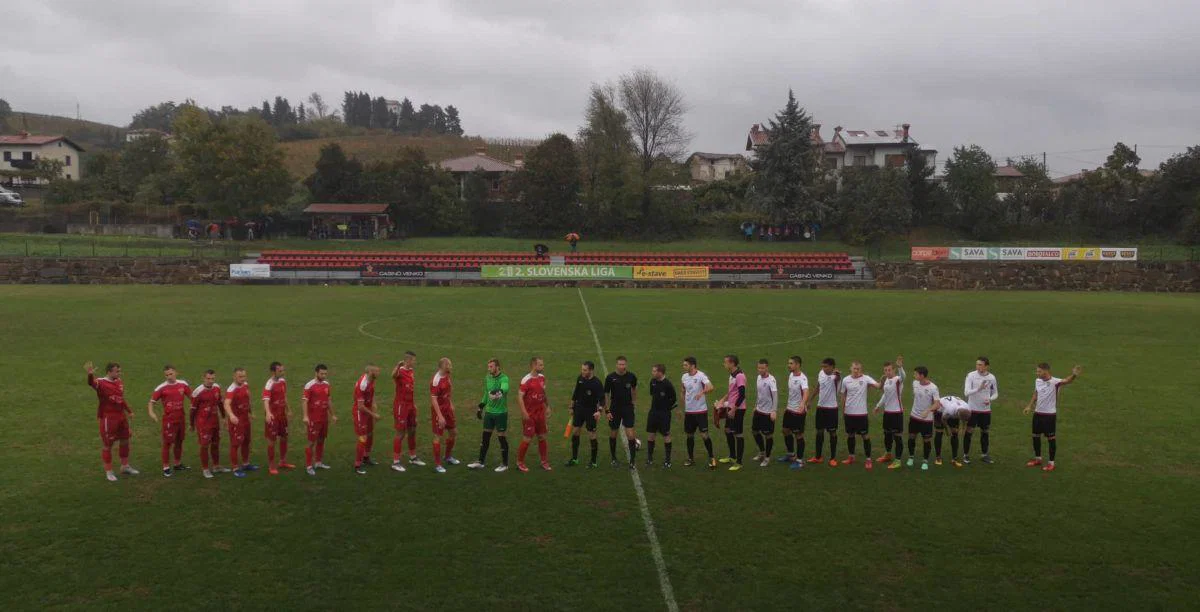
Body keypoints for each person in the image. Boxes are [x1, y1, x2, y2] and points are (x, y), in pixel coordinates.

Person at [1023, 363, 1082, 473]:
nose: (1037, 373)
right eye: (1037, 371)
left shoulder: (1055, 382)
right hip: (1037, 413)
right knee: (1035, 436)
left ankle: (1051, 463)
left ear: (1046, 371)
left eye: (1039, 371)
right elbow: (1036, 393)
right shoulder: (1038, 381)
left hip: (1049, 415)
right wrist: (1029, 406)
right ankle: (1038, 459)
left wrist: (1074, 375)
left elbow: (1067, 381)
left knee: (1051, 439)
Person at [87, 361, 137, 482]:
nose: (119, 373)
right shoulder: (101, 382)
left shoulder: (119, 381)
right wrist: (90, 375)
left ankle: (125, 466)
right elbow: (91, 383)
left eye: (119, 371)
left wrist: (129, 411)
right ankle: (109, 471)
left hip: (121, 416)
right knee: (107, 445)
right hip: (108, 418)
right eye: (117, 371)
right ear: (109, 372)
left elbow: (120, 398)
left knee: (125, 440)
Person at [148, 365, 191, 477]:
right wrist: (151, 413)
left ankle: (177, 464)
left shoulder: (183, 384)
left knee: (179, 441)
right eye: (167, 375)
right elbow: (151, 402)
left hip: (181, 418)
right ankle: (166, 467)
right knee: (167, 443)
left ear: (176, 373)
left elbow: (192, 397)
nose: (169, 377)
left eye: (171, 374)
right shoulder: (161, 388)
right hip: (169, 420)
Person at [469, 358, 511, 472]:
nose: (489, 369)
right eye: (488, 367)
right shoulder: (487, 378)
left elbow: (505, 388)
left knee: (501, 437)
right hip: (489, 412)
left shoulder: (504, 378)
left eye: (491, 367)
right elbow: (486, 394)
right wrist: (481, 406)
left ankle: (505, 464)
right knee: (485, 437)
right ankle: (480, 462)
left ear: (497, 367)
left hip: (500, 413)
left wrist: (499, 392)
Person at [839, 361, 882, 469]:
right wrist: (843, 410)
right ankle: (851, 457)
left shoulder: (866, 378)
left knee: (865, 436)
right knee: (850, 435)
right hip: (849, 413)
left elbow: (878, 386)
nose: (856, 371)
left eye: (858, 369)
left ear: (861, 369)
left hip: (861, 414)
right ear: (851, 368)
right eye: (854, 368)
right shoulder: (846, 380)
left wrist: (883, 379)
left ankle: (868, 459)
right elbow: (843, 396)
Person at [516, 356, 552, 472]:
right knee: (527, 438)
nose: (543, 367)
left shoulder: (542, 378)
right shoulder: (526, 380)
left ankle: (544, 462)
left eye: (542, 364)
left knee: (542, 437)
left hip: (540, 413)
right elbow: (520, 397)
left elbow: (543, 393)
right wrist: (524, 412)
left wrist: (547, 406)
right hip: (530, 415)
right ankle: (519, 462)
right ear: (534, 366)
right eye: (540, 365)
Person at [680, 357, 717, 469]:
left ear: (692, 366)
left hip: (700, 411)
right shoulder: (684, 377)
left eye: (686, 365)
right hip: (689, 411)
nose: (684, 367)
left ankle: (712, 457)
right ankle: (691, 458)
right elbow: (683, 390)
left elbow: (711, 387)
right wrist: (684, 403)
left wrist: (702, 392)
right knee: (689, 435)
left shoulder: (701, 376)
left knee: (704, 435)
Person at [567, 361, 605, 467]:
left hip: (591, 411)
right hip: (579, 409)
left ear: (591, 370)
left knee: (592, 434)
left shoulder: (597, 383)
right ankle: (574, 459)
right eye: (582, 369)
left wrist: (599, 411)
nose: (582, 372)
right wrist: (571, 406)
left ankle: (593, 462)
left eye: (585, 370)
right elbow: (576, 393)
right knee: (575, 432)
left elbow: (602, 399)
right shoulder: (580, 378)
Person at [604, 356, 639, 469]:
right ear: (616, 365)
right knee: (613, 433)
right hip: (614, 408)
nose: (622, 366)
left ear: (626, 365)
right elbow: (606, 394)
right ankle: (614, 458)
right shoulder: (610, 378)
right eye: (620, 364)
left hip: (627, 408)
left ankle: (632, 461)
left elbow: (633, 390)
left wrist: (634, 403)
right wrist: (607, 410)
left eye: (623, 364)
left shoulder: (631, 376)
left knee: (630, 433)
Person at [391, 351, 424, 471]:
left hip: (410, 405)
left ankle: (413, 457)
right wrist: (398, 365)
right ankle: (395, 462)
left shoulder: (411, 371)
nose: (415, 362)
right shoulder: (400, 371)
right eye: (413, 360)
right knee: (400, 433)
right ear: (408, 360)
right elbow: (393, 375)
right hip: (401, 406)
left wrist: (414, 405)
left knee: (412, 430)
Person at [190, 370, 227, 478]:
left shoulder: (216, 388)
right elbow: (192, 410)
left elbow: (220, 402)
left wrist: (224, 417)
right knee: (205, 445)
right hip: (203, 424)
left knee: (216, 444)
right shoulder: (197, 392)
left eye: (212, 379)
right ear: (204, 378)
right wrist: (191, 424)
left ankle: (216, 466)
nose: (211, 381)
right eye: (208, 379)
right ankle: (205, 469)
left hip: (215, 421)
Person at [302, 364, 337, 476]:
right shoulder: (309, 385)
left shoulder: (326, 385)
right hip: (313, 419)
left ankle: (318, 462)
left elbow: (329, 400)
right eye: (322, 373)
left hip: (323, 418)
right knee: (311, 442)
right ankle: (308, 466)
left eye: (325, 373)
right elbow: (304, 401)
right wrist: (305, 416)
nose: (324, 375)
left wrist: (333, 415)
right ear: (316, 373)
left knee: (321, 439)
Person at [963, 357, 999, 464]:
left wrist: (990, 399)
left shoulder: (992, 378)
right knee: (969, 431)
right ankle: (966, 455)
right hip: (972, 409)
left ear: (986, 366)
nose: (978, 367)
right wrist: (979, 388)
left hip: (985, 411)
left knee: (985, 432)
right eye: (977, 364)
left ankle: (984, 455)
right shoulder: (971, 376)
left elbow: (996, 393)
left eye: (980, 365)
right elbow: (966, 392)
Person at [715, 355, 748, 471]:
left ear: (732, 363)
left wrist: (734, 409)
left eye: (725, 362)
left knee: (738, 433)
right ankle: (732, 456)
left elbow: (742, 394)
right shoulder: (732, 375)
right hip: (731, 407)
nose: (724, 364)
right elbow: (731, 392)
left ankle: (739, 462)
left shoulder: (739, 376)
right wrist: (722, 400)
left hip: (738, 409)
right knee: (728, 430)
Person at [873, 357, 906, 468]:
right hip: (887, 413)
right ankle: (888, 454)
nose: (887, 372)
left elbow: (904, 377)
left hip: (897, 413)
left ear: (893, 370)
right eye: (886, 370)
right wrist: (878, 406)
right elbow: (885, 395)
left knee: (897, 436)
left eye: (889, 370)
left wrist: (900, 367)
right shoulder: (886, 380)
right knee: (887, 435)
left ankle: (898, 460)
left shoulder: (898, 379)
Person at [262, 362, 294, 475]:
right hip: (273, 417)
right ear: (273, 372)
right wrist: (268, 413)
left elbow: (284, 396)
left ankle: (283, 461)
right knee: (272, 441)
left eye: (283, 370)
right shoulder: (269, 384)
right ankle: (271, 465)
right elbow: (265, 400)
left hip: (282, 415)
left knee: (284, 437)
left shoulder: (282, 381)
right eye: (280, 371)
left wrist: (288, 409)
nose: (282, 372)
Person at [223, 368, 256, 477]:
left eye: (243, 376)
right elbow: (226, 404)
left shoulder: (245, 385)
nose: (242, 379)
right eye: (239, 377)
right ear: (234, 377)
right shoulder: (231, 389)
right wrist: (231, 416)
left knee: (246, 441)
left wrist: (251, 412)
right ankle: (235, 467)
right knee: (235, 444)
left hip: (245, 419)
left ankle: (246, 464)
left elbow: (248, 399)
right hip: (236, 421)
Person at [808, 358, 841, 466]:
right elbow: (818, 387)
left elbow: (837, 379)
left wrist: (838, 375)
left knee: (832, 432)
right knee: (819, 432)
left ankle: (833, 458)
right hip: (821, 407)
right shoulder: (821, 373)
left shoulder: (836, 377)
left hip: (831, 409)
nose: (823, 368)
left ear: (832, 367)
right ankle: (818, 457)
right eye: (822, 366)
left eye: (826, 366)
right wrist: (810, 400)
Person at [778, 356, 810, 469]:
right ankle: (791, 455)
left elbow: (806, 392)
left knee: (798, 434)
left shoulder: (803, 378)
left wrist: (803, 404)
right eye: (789, 363)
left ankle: (800, 461)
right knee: (785, 430)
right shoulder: (791, 375)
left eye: (791, 363)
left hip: (798, 411)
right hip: (790, 409)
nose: (789, 365)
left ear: (797, 365)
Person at [906, 366, 940, 471]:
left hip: (927, 419)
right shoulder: (915, 383)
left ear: (922, 376)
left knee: (926, 440)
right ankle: (911, 457)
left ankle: (925, 461)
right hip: (914, 416)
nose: (914, 376)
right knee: (911, 437)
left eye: (916, 374)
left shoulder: (933, 388)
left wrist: (928, 410)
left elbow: (937, 404)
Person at [429, 358, 459, 473]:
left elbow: (448, 392)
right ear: (443, 366)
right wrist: (440, 416)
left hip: (447, 409)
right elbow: (434, 400)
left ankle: (447, 457)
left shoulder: (447, 375)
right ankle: (437, 464)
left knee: (453, 432)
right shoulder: (436, 381)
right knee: (437, 436)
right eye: (449, 365)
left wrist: (450, 403)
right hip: (439, 411)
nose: (451, 366)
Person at [352, 365, 383, 475]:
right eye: (377, 371)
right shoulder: (363, 384)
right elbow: (360, 406)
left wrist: (374, 405)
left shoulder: (372, 380)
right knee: (363, 437)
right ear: (370, 372)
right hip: (361, 412)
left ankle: (366, 457)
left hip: (368, 409)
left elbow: (372, 394)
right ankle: (357, 465)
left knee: (370, 434)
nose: (379, 373)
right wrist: (373, 414)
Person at [645, 364, 677, 468]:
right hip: (653, 412)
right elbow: (652, 394)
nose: (652, 373)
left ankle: (668, 460)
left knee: (666, 435)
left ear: (660, 372)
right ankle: (649, 458)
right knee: (651, 434)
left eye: (654, 371)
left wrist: (666, 408)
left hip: (664, 414)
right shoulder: (653, 382)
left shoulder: (668, 384)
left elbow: (673, 399)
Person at [751, 359, 778, 468]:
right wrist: (756, 405)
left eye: (762, 368)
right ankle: (762, 452)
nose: (760, 370)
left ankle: (767, 457)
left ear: (767, 368)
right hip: (759, 410)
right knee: (754, 431)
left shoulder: (771, 380)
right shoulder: (758, 378)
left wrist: (774, 411)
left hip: (767, 412)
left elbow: (775, 396)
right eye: (759, 368)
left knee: (768, 435)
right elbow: (759, 393)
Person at [934, 396, 971, 467]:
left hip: (953, 407)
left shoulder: (967, 408)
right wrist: (947, 430)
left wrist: (963, 429)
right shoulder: (950, 410)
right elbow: (943, 419)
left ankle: (954, 458)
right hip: (940, 409)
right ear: (958, 415)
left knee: (955, 433)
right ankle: (938, 457)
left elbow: (965, 420)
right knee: (939, 432)